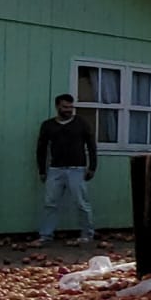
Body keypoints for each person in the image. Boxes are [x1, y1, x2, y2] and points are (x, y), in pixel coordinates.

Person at [36, 93, 97, 245]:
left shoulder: (81, 123)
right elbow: (41, 149)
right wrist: (42, 170)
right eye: (65, 107)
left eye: (71, 107)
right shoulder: (48, 125)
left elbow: (91, 145)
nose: (69, 110)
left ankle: (87, 234)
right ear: (57, 107)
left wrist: (92, 167)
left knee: (81, 202)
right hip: (55, 169)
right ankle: (46, 235)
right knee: (50, 203)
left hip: (77, 168)